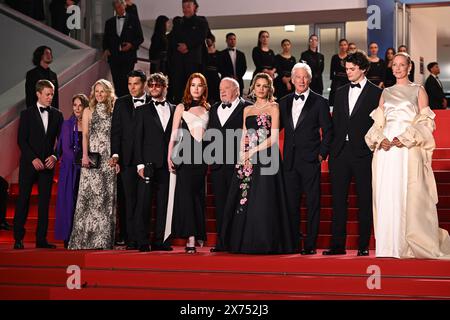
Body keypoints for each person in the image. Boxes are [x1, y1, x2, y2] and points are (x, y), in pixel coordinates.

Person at [365, 52, 450, 259]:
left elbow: (426, 121)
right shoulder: (385, 92)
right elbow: (378, 122)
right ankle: (389, 245)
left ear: (409, 67)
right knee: (387, 193)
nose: (398, 68)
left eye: (402, 65)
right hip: (386, 151)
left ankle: (406, 244)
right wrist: (379, 138)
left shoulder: (418, 90)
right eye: (395, 65)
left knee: (406, 193)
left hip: (407, 148)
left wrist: (405, 137)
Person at [219, 73, 296, 254]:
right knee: (246, 198)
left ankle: (266, 242)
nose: (261, 89)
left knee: (264, 198)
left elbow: (274, 137)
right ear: (253, 88)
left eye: (265, 86)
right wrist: (241, 154)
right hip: (248, 157)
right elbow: (244, 135)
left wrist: (252, 151)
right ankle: (244, 241)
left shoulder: (274, 107)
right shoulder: (247, 110)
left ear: (270, 89)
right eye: (258, 85)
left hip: (267, 156)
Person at [323, 51, 382, 256]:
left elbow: (379, 124)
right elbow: (335, 124)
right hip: (339, 153)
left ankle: (363, 246)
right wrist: (331, 150)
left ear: (363, 69)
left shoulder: (377, 94)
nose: (347, 72)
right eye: (346, 69)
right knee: (338, 200)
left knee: (364, 200)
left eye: (352, 69)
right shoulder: (339, 92)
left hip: (363, 153)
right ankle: (337, 245)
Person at [279, 63, 333, 255]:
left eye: (305, 77)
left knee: (313, 204)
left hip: (311, 160)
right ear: (292, 80)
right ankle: (293, 242)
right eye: (298, 77)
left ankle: (310, 244)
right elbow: (274, 129)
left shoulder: (319, 102)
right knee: (291, 204)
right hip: (290, 162)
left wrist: (321, 154)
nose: (301, 81)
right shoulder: (283, 102)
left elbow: (328, 131)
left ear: (309, 79)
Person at [68, 79, 120, 250]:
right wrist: (84, 156)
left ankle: (102, 240)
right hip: (92, 158)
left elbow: (117, 135)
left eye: (102, 91)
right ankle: (84, 240)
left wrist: (116, 158)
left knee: (105, 199)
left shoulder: (114, 110)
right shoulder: (88, 111)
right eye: (96, 91)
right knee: (88, 198)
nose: (99, 95)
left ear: (108, 93)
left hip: (109, 159)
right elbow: (85, 136)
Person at [13, 80, 64, 250]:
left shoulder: (57, 115)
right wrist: (32, 158)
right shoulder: (26, 114)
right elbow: (22, 140)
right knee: (23, 200)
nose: (51, 97)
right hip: (29, 165)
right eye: (48, 94)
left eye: (52, 94)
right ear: (38, 94)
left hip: (48, 166)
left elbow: (62, 141)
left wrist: (55, 157)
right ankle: (18, 238)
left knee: (44, 203)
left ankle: (41, 239)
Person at [167, 73, 209, 253]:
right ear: (188, 88)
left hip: (201, 158)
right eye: (193, 85)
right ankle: (190, 238)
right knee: (187, 197)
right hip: (185, 156)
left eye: (199, 85)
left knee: (197, 196)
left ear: (204, 88)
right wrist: (169, 155)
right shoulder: (181, 107)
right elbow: (174, 134)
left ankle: (196, 234)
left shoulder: (209, 108)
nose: (196, 88)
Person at [208, 78, 251, 252]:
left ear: (237, 90)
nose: (222, 91)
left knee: (238, 205)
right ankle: (222, 242)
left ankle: (238, 242)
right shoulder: (214, 108)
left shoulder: (247, 107)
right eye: (220, 89)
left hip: (238, 165)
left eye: (226, 88)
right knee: (220, 204)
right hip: (218, 165)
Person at [134, 73, 175, 252]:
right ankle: (142, 241)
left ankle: (161, 241)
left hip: (168, 165)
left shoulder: (175, 109)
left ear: (165, 87)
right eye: (150, 85)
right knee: (144, 203)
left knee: (164, 204)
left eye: (157, 85)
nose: (153, 88)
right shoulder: (141, 110)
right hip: (148, 164)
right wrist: (140, 165)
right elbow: (137, 139)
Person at [110, 70, 150, 250]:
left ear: (144, 84)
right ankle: (130, 238)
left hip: (147, 160)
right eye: (129, 83)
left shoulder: (151, 102)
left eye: (136, 83)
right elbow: (116, 131)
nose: (132, 87)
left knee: (144, 201)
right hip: (126, 159)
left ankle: (142, 238)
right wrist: (115, 154)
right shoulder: (121, 102)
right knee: (129, 200)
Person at [54, 94, 88, 248]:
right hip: (70, 169)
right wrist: (79, 162)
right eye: (75, 105)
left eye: (80, 105)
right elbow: (65, 149)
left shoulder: (90, 124)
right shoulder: (67, 125)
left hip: (87, 170)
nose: (77, 108)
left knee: (85, 204)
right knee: (70, 202)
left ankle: (84, 237)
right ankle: (69, 237)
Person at [168, 0, 210, 103]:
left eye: (188, 6)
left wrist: (188, 46)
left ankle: (195, 106)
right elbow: (171, 37)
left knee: (194, 85)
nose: (185, 9)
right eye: (184, 7)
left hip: (193, 61)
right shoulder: (178, 22)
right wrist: (178, 46)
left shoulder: (201, 21)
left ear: (195, 7)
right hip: (178, 61)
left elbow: (201, 36)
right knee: (179, 87)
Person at [102, 0, 144, 97]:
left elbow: (140, 38)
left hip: (128, 58)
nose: (119, 9)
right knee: (117, 84)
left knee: (128, 83)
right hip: (114, 58)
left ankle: (129, 107)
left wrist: (131, 45)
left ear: (124, 6)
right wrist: (106, 49)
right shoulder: (109, 22)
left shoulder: (133, 20)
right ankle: (120, 106)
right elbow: (105, 39)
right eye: (117, 8)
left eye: (120, 7)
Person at [329, 39, 350, 106]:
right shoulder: (335, 57)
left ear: (347, 46)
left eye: (345, 45)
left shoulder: (350, 57)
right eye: (341, 45)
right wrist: (333, 80)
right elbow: (332, 70)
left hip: (347, 80)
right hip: (337, 80)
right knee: (335, 98)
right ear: (339, 46)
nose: (343, 47)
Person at [205, 33, 221, 105]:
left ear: (213, 41)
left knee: (216, 97)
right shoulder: (203, 53)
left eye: (209, 40)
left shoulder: (219, 53)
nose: (208, 42)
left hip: (215, 77)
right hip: (206, 76)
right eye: (206, 40)